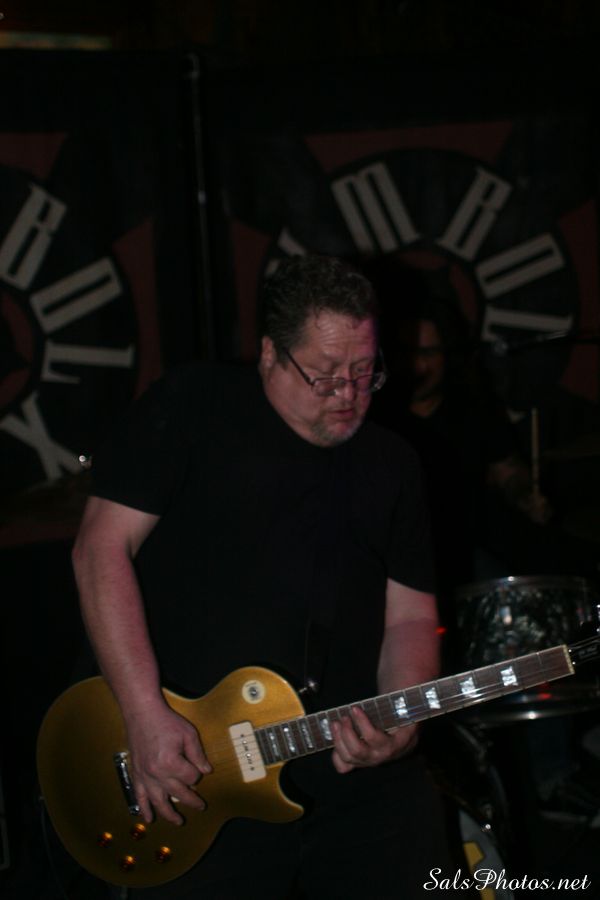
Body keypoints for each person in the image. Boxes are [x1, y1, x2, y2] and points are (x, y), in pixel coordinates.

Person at [71, 255, 452, 899]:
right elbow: (99, 549)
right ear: (271, 353)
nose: (348, 393)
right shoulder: (194, 404)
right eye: (324, 374)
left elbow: (412, 615)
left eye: (365, 371)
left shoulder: (393, 463)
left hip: (350, 773)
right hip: (201, 765)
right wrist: (143, 713)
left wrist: (401, 718)